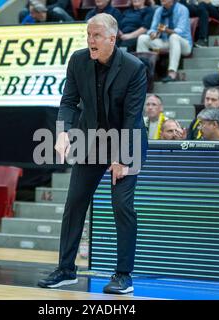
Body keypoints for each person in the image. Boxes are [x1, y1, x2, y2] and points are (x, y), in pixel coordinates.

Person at [37, 13, 148, 295]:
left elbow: (132, 118)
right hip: (91, 141)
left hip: (127, 140)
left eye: (96, 36)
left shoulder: (134, 68)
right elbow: (68, 102)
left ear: (112, 38)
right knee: (75, 202)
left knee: (121, 206)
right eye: (88, 35)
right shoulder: (78, 60)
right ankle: (65, 270)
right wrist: (62, 132)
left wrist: (122, 158)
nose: (90, 41)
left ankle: (123, 275)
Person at [136, 0, 192, 82]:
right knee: (142, 38)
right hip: (165, 41)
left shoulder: (182, 9)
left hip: (184, 44)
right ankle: (144, 73)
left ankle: (172, 73)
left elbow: (181, 31)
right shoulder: (159, 10)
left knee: (174, 37)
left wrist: (166, 30)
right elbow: (152, 28)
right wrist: (153, 34)